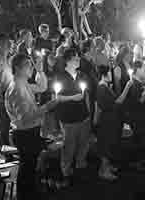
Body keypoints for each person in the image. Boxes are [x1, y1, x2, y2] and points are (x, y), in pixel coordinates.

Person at [5, 53, 59, 200]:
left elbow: (42, 87)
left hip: (28, 132)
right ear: (17, 68)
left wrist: (40, 71)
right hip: (24, 134)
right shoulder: (17, 89)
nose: (31, 68)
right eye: (28, 65)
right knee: (26, 167)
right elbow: (27, 117)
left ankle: (29, 192)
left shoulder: (23, 84)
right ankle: (25, 195)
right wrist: (47, 106)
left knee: (30, 165)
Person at [54, 48, 91, 180]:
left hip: (83, 115)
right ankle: (66, 169)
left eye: (78, 58)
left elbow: (86, 95)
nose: (78, 60)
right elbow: (57, 98)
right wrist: (72, 98)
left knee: (84, 142)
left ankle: (81, 163)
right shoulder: (60, 77)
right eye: (75, 58)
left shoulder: (82, 75)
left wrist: (89, 113)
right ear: (68, 61)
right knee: (69, 145)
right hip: (68, 118)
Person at [96, 65, 133, 180]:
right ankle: (103, 171)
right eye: (110, 73)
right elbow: (118, 101)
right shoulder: (102, 88)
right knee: (106, 146)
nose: (112, 76)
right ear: (104, 74)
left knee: (110, 144)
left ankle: (107, 167)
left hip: (111, 120)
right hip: (108, 121)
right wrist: (127, 87)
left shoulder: (105, 86)